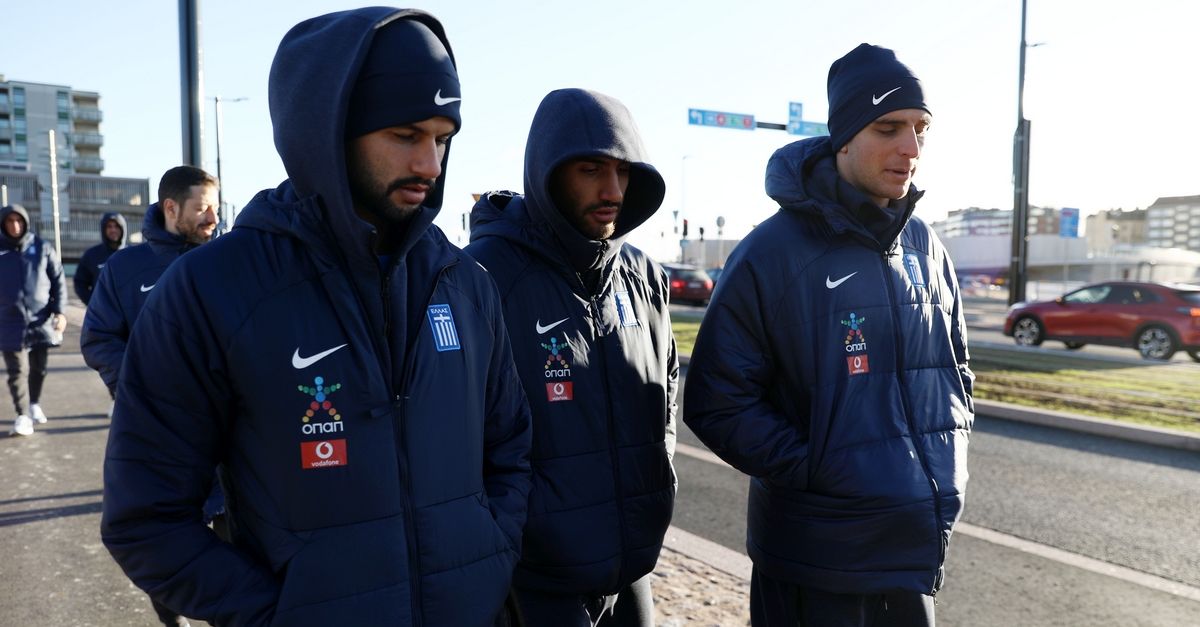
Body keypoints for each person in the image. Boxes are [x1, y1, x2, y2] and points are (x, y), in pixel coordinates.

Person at [99, 8, 532, 626]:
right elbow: (145, 519)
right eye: (406, 135)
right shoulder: (210, 289)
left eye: (442, 138)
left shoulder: (463, 283)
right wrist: (277, 614)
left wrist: (491, 552)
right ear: (326, 131)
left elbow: (511, 449)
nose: (431, 165)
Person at [683, 44, 974, 627]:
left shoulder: (925, 247)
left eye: (921, 129)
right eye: (889, 128)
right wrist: (819, 467)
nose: (911, 149)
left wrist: (952, 448)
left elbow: (958, 370)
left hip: (911, 556)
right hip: (816, 563)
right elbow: (717, 401)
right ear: (844, 137)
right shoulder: (772, 254)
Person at [466, 88, 677, 627]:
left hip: (633, 570)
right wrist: (513, 534)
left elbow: (666, 392)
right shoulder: (482, 279)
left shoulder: (645, 277)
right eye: (590, 170)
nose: (612, 190)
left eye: (623, 172)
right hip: (533, 581)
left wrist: (658, 482)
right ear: (548, 174)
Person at [80, 165, 219, 627]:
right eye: (202, 208)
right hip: (156, 434)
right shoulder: (124, 268)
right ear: (171, 208)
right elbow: (98, 338)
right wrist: (143, 394)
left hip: (228, 434)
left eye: (215, 207)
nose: (212, 217)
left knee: (238, 539)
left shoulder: (226, 259)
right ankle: (171, 619)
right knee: (163, 541)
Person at [0, 204, 66, 437]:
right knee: (17, 371)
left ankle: (34, 403)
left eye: (19, 221)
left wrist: (60, 312)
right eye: (10, 221)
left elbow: (58, 280)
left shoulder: (42, 247)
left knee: (39, 368)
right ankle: (22, 416)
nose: (15, 225)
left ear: (26, 222)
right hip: (8, 321)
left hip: (40, 320)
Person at [73, 212, 128, 305]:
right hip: (102, 315)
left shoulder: (132, 254)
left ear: (123, 228)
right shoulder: (91, 255)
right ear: (103, 229)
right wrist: (94, 303)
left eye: (117, 226)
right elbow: (80, 283)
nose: (113, 230)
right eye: (109, 226)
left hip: (130, 313)